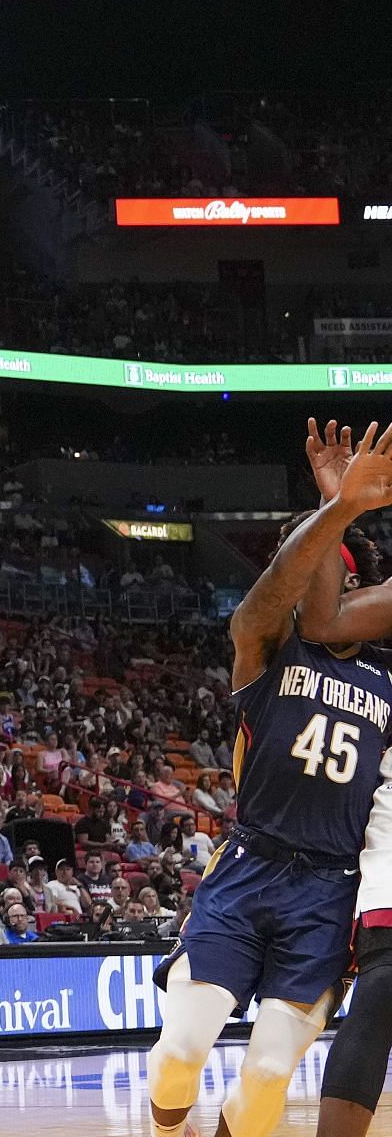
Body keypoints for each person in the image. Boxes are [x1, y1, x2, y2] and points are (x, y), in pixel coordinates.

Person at [149, 422, 392, 1137]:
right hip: (249, 865)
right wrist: (335, 507)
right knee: (179, 1052)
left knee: (264, 1082)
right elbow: (267, 599)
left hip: (328, 887)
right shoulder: (264, 644)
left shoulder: (385, 673)